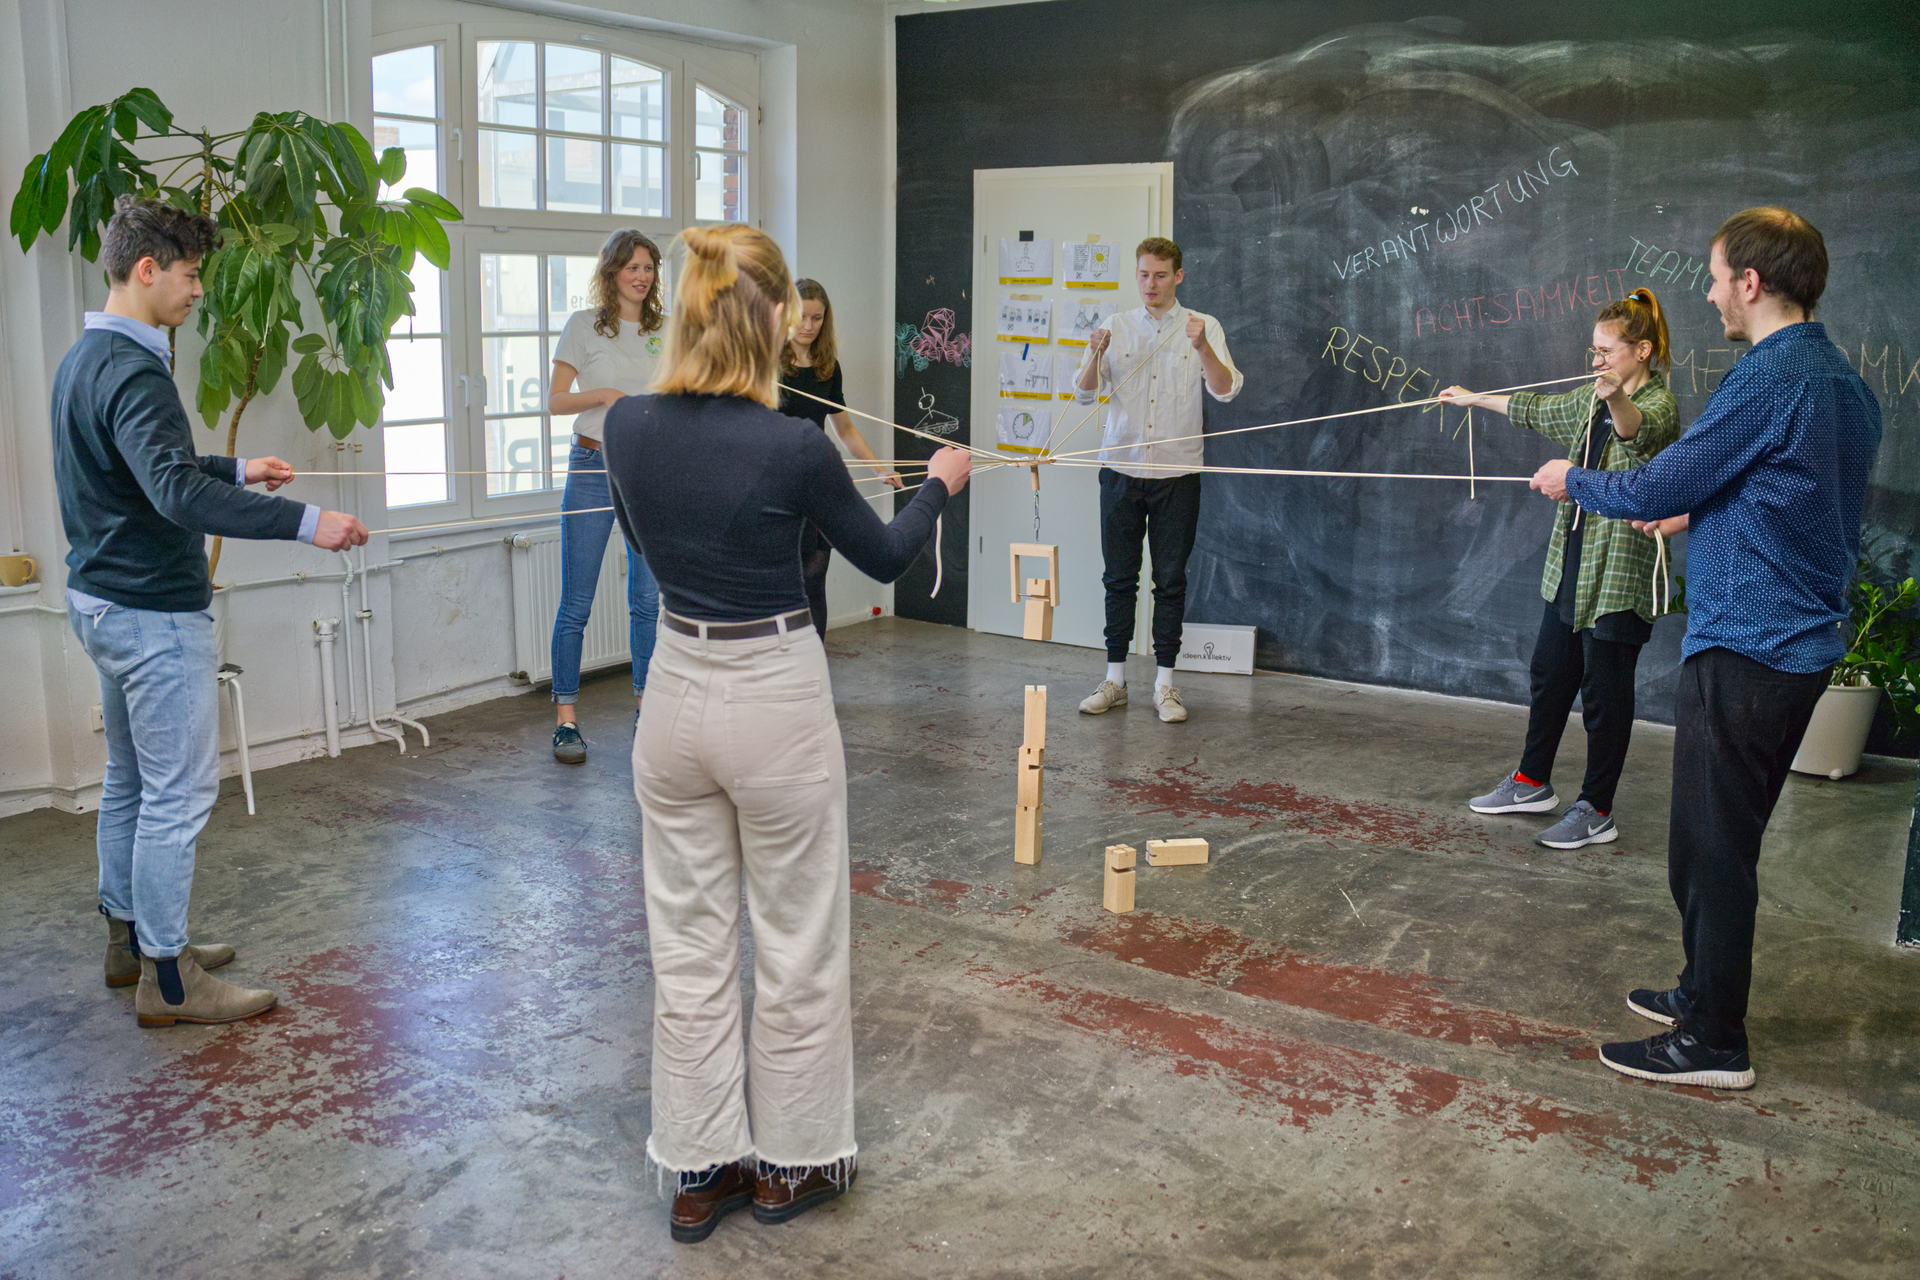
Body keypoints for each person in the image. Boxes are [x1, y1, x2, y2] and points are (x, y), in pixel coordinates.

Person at [600, 224, 971, 1240]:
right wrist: (941, 480)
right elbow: (888, 556)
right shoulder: (794, 446)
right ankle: (793, 1161)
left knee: (688, 943)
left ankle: (699, 1166)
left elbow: (642, 542)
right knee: (797, 940)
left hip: (674, 692)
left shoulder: (625, 425)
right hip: (773, 691)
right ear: (769, 318)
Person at [1532, 207, 1881, 1089]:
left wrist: (1571, 481)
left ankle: (1713, 1041)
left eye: (1720, 275)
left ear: (1753, 283)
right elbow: (1796, 495)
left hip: (1750, 646)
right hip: (1795, 645)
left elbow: (1662, 473)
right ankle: (1701, 990)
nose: (1714, 292)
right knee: (1726, 836)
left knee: (1711, 846)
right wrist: (1703, 511)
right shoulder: (1841, 380)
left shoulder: (1772, 374)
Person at [54, 197, 368, 1027]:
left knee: (130, 779)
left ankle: (129, 941)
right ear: (149, 270)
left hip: (101, 603)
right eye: (192, 276)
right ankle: (169, 977)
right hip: (152, 616)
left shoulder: (88, 358)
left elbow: (149, 466)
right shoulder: (134, 369)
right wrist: (309, 524)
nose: (199, 292)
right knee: (178, 797)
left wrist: (234, 467)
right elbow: (170, 492)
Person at [1439, 289, 1681, 849]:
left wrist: (1616, 395)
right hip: (1572, 563)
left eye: (1606, 351)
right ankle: (1531, 781)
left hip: (1618, 574)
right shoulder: (1594, 397)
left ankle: (1597, 809)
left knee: (1605, 694)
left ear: (1641, 351)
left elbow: (1636, 430)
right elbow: (1538, 408)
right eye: (1593, 350)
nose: (1596, 361)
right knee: (1550, 674)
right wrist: (1475, 399)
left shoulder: (1657, 406)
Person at [1074, 236, 1242, 724]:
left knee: (1170, 580)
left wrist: (1202, 346)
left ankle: (1166, 685)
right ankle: (1115, 680)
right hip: (1120, 468)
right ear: (1136, 275)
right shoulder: (1115, 327)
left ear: (1179, 277)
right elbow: (1084, 396)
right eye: (1144, 274)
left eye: (1161, 275)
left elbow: (1226, 390)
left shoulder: (1202, 326)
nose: (1151, 284)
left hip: (1177, 471)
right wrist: (1092, 355)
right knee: (1118, 578)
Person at [545, 229, 667, 764]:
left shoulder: (666, 331)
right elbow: (555, 401)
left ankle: (648, 713)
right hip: (593, 464)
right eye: (632, 267)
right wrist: (604, 397)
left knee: (647, 600)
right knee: (577, 602)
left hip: (648, 469)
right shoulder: (583, 327)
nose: (641, 277)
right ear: (612, 271)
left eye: (648, 268)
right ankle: (566, 721)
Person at [777, 278, 903, 639]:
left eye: (817, 318)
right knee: (786, 582)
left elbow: (845, 430)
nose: (808, 326)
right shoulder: (768, 363)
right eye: (802, 317)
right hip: (777, 486)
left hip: (815, 483)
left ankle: (813, 672)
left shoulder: (826, 365)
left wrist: (879, 467)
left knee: (815, 577)